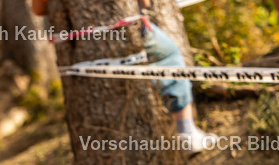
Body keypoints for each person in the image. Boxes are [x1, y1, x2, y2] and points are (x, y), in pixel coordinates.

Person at [33, 0, 216, 153]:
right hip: (129, 33)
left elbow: (38, 9)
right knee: (170, 55)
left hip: (79, 47)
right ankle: (187, 132)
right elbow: (145, 2)